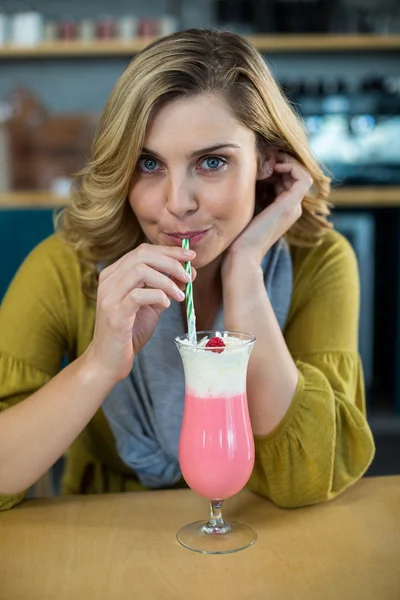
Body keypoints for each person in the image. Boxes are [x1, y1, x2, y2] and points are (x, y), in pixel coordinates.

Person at [0, 28, 375, 512]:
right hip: (105, 546)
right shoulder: (65, 269)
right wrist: (98, 365)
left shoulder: (320, 263)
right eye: (148, 164)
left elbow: (308, 477)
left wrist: (245, 275)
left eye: (212, 161)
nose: (177, 204)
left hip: (260, 536)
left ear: (267, 160)